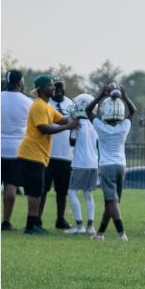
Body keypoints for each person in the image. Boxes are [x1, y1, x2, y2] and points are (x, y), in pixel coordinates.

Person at [14, 75, 82, 234]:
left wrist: (79, 115)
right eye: (51, 86)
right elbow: (43, 128)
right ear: (42, 89)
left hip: (38, 154)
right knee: (36, 191)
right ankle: (31, 226)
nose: (54, 88)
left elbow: (62, 119)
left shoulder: (46, 106)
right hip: (32, 152)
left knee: (38, 190)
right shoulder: (38, 106)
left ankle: (35, 224)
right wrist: (68, 127)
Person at [87, 83, 135, 241]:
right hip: (121, 166)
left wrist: (100, 95)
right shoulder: (124, 127)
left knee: (111, 201)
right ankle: (100, 234)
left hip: (106, 166)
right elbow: (133, 112)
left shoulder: (100, 127)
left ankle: (122, 234)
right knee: (111, 202)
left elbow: (88, 110)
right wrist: (125, 95)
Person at [40, 79, 75, 229]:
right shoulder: (45, 103)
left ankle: (60, 219)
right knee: (43, 189)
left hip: (66, 154)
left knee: (62, 190)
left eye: (61, 87)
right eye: (56, 87)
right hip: (47, 153)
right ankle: (37, 218)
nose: (59, 90)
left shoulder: (71, 104)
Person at [1, 70, 32, 231]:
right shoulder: (27, 102)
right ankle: (6, 221)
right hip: (16, 150)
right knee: (11, 187)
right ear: (20, 82)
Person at [66, 93, 99, 234]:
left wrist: (71, 123)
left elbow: (72, 142)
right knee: (88, 194)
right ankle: (91, 226)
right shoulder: (95, 124)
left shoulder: (77, 124)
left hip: (80, 163)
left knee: (72, 192)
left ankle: (79, 226)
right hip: (93, 163)